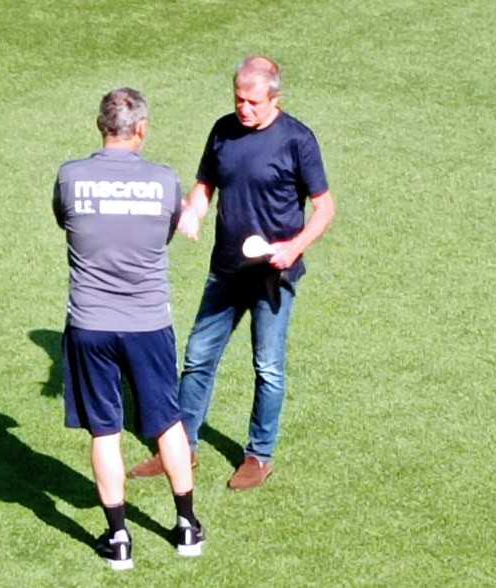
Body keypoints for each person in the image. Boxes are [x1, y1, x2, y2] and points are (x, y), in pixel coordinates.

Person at [129, 56, 336, 490]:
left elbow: (325, 207)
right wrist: (194, 212)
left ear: (275, 98)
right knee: (199, 356)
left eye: (253, 102)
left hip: (272, 276)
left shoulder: (297, 140)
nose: (244, 108)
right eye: (239, 99)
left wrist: (293, 248)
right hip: (225, 269)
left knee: (268, 366)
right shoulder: (224, 129)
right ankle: (181, 447)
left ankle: (259, 455)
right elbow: (206, 183)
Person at [52, 87, 204, 570]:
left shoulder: (70, 177)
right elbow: (164, 234)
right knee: (167, 422)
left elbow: (65, 221)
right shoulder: (163, 182)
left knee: (104, 430)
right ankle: (186, 527)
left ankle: (118, 538)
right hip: (147, 323)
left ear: (101, 126)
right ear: (141, 128)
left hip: (90, 323)